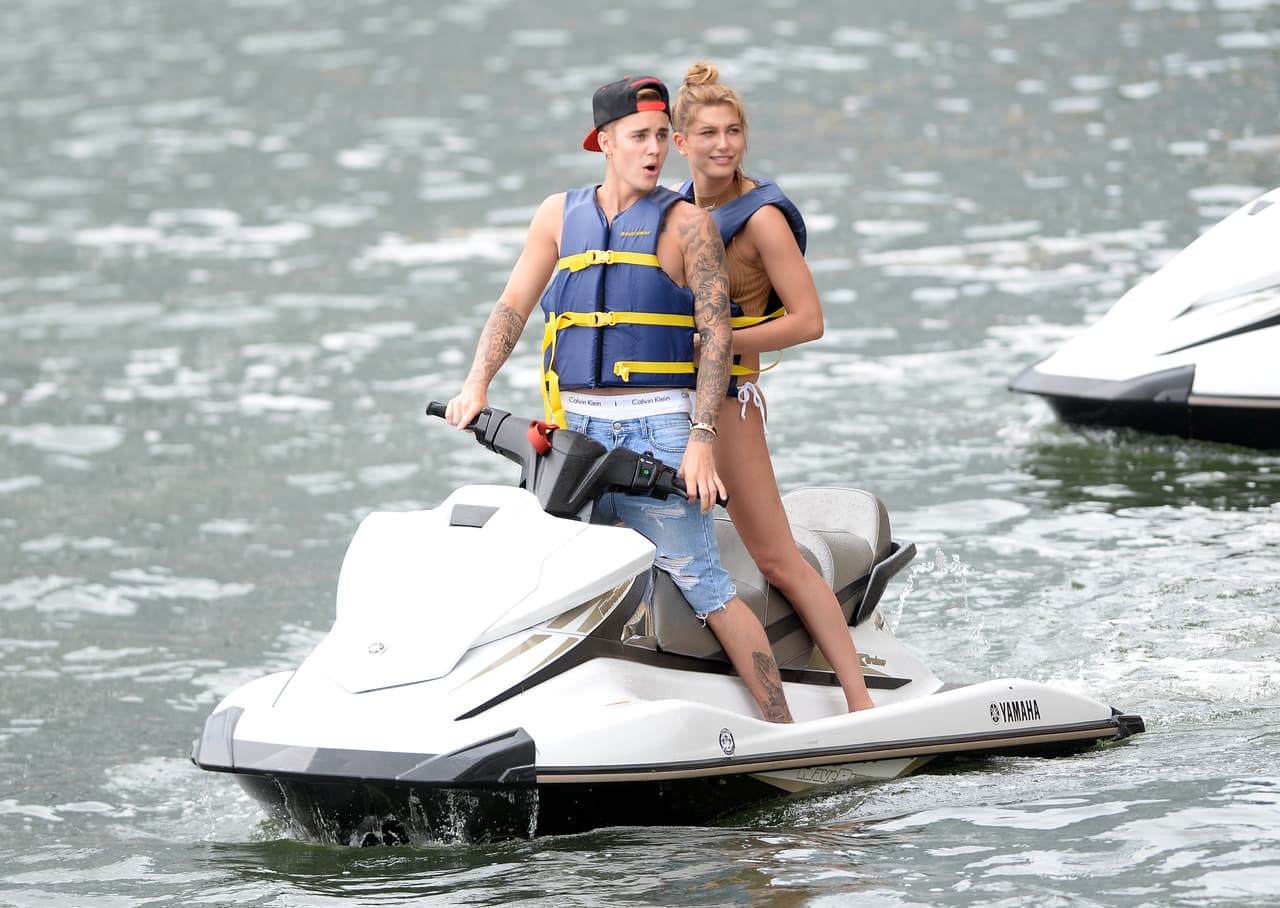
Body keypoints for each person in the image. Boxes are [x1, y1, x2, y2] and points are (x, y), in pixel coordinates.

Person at [445, 74, 793, 723]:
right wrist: (476, 385)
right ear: (604, 141)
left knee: (703, 582)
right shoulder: (558, 214)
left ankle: (782, 727)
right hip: (578, 429)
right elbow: (514, 304)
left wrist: (701, 441)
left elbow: (716, 334)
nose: (655, 148)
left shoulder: (689, 225)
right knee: (569, 573)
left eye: (663, 135)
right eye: (640, 136)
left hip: (660, 425)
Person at [671, 61, 875, 712]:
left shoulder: (761, 219)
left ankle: (861, 702)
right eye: (708, 133)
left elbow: (809, 321)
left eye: (733, 131)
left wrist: (725, 341)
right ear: (681, 143)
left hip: (731, 401)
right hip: (672, 399)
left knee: (777, 555)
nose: (723, 144)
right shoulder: (674, 209)